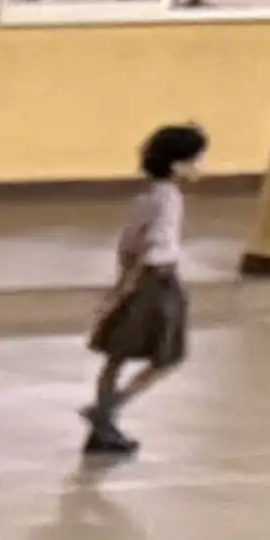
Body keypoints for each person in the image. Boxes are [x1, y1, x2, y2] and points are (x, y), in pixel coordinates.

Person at [84, 122, 210, 461]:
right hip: (159, 281)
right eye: (195, 159)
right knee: (168, 356)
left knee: (117, 355)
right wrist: (132, 282)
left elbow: (127, 245)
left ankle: (100, 431)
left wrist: (122, 283)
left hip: (138, 278)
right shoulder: (170, 200)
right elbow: (155, 246)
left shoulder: (144, 198)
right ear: (177, 165)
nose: (199, 166)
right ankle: (107, 410)